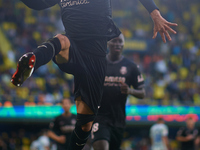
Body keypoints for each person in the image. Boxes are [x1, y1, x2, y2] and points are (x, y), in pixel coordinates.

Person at [10, 0, 177, 149]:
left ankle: (34, 58)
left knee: (85, 125)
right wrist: (154, 13)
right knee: (62, 41)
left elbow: (38, 4)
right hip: (83, 52)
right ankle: (34, 59)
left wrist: (154, 12)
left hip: (86, 56)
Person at [91, 33, 145, 150]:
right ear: (108, 43)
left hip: (118, 119)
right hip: (99, 116)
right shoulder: (98, 63)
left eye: (120, 41)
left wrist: (129, 90)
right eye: (114, 41)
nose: (117, 44)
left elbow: (142, 93)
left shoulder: (131, 67)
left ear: (124, 44)